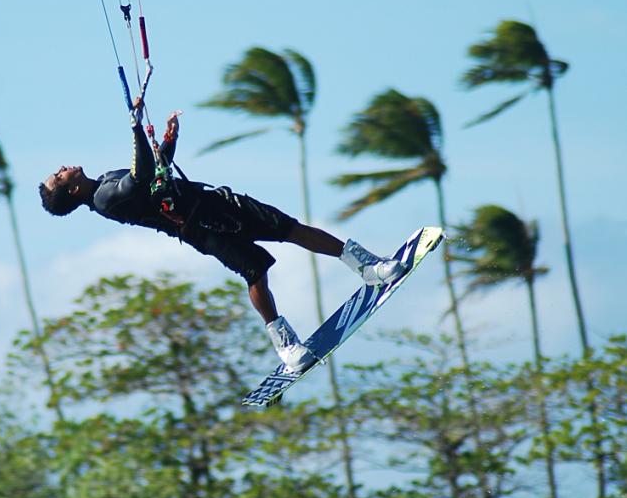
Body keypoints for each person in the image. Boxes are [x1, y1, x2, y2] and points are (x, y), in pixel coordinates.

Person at [39, 99, 406, 373]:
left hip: (215, 202)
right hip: (201, 227)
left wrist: (168, 140)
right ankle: (286, 347)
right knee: (255, 272)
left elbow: (157, 172)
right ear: (71, 192)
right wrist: (136, 128)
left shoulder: (104, 178)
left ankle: (368, 267)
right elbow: (139, 179)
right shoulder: (104, 199)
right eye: (58, 177)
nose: (60, 169)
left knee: (290, 228)